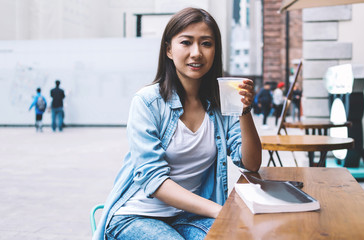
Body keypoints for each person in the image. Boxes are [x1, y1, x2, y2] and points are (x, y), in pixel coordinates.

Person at [93, 8, 262, 240]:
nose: (196, 53)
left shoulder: (220, 103)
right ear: (169, 50)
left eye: (206, 43)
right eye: (186, 42)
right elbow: (154, 180)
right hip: (136, 216)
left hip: (188, 216)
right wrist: (221, 211)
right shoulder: (147, 102)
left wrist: (245, 111)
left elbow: (250, 164)